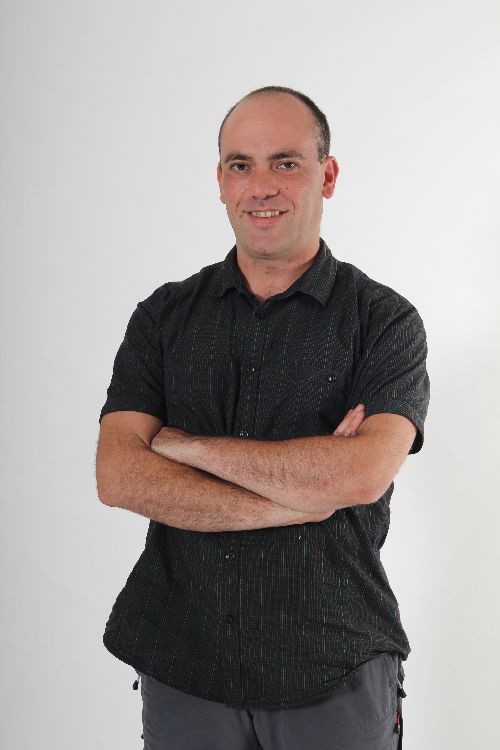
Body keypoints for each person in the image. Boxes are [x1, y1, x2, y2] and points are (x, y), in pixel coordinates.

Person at [96, 85, 430, 750]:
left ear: (326, 175)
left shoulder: (384, 321)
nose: (261, 187)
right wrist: (301, 498)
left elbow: (362, 475)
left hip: (333, 665)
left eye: (286, 162)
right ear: (220, 182)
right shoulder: (163, 317)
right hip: (185, 666)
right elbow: (119, 476)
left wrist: (185, 446)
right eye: (240, 165)